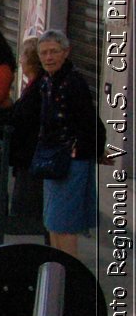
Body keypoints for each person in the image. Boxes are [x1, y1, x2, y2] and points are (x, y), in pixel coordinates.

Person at [33, 30, 104, 257]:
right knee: (53, 222)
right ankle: (58, 271)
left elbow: (90, 122)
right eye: (44, 53)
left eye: (54, 51)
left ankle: (69, 275)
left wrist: (84, 151)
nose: (48, 57)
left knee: (63, 224)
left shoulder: (73, 82)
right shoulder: (47, 80)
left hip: (71, 161)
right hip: (54, 160)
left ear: (66, 52)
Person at [0, 37, 46, 237]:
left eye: (22, 55)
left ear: (30, 60)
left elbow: (20, 114)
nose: (20, 60)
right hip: (27, 153)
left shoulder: (39, 86)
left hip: (31, 153)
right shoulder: (34, 84)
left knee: (30, 206)